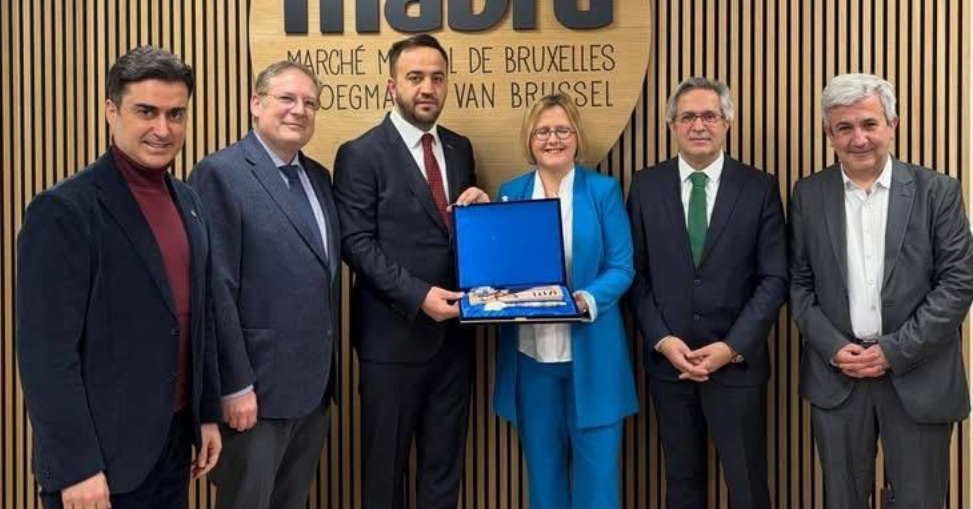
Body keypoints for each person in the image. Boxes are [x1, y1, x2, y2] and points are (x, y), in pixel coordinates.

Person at [16, 46, 221, 509]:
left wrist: (205, 413)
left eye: (176, 114)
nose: (163, 129)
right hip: (99, 464)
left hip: (171, 448)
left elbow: (197, 317)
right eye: (146, 112)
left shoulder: (189, 202)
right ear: (111, 111)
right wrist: (76, 466)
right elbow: (45, 354)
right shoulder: (64, 211)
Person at [789, 73, 973, 509]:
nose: (858, 138)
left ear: (893, 124)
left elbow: (957, 283)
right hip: (839, 376)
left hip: (919, 373)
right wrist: (834, 347)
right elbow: (799, 284)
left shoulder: (937, 191)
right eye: (844, 127)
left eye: (869, 124)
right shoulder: (808, 194)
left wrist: (894, 350)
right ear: (828, 133)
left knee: (919, 500)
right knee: (842, 499)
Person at [333, 34, 489, 509]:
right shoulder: (360, 154)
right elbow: (356, 244)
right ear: (391, 85)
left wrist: (481, 213)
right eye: (415, 77)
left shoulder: (459, 148)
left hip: (456, 341)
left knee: (443, 473)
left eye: (437, 78)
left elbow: (457, 235)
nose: (427, 88)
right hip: (392, 342)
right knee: (385, 476)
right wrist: (419, 296)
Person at [627, 77, 788, 509]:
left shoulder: (759, 187)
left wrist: (731, 348)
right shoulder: (645, 186)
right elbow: (635, 275)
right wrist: (663, 340)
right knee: (682, 484)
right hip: (670, 366)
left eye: (709, 116)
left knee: (747, 487)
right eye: (687, 117)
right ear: (671, 126)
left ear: (727, 123)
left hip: (737, 367)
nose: (699, 125)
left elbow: (774, 278)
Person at [188, 60, 341, 509]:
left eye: (310, 102)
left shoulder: (318, 178)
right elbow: (215, 291)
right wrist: (234, 386)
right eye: (287, 98)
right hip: (254, 395)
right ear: (256, 104)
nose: (300, 110)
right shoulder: (220, 173)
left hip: (312, 392)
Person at [492, 93, 638, 509]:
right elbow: (498, 268)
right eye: (542, 131)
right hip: (531, 362)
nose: (552, 139)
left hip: (592, 361)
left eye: (562, 130)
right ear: (529, 138)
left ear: (576, 137)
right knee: (544, 484)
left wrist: (586, 299)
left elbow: (622, 266)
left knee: (598, 486)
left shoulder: (603, 191)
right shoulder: (510, 193)